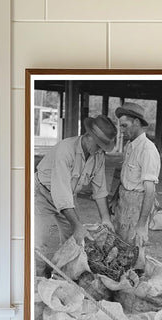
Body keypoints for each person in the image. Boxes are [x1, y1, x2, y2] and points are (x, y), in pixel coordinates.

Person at [34, 114, 117, 277]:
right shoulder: (66, 150)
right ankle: (38, 280)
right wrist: (78, 225)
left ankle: (64, 276)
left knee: (75, 240)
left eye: (103, 146)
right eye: (99, 145)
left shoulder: (98, 156)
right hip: (41, 194)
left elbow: (99, 189)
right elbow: (61, 192)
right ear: (88, 137)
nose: (100, 149)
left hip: (69, 196)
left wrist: (106, 219)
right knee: (39, 242)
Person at [113, 102, 161, 267]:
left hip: (137, 204)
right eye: (121, 126)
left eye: (125, 125)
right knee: (119, 241)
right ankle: (119, 276)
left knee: (134, 246)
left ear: (137, 123)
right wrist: (115, 198)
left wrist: (141, 225)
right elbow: (124, 175)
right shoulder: (129, 146)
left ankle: (134, 280)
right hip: (123, 199)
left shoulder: (147, 150)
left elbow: (150, 191)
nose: (121, 130)